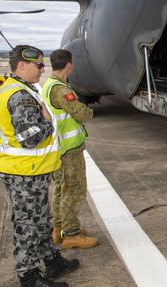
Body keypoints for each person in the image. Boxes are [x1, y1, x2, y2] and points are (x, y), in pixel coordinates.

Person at [0, 45, 79, 287]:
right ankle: (30, 277)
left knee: (41, 219)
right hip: (24, 173)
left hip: (30, 171)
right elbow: (29, 137)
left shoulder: (19, 88)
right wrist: (47, 122)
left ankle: (52, 261)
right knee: (28, 226)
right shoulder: (20, 96)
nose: (42, 69)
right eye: (39, 65)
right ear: (21, 65)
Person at [42, 49, 98, 250]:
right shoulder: (60, 89)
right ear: (69, 65)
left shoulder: (49, 84)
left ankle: (58, 230)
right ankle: (71, 234)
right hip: (68, 151)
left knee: (60, 189)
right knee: (73, 190)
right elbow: (81, 113)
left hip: (59, 149)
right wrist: (89, 111)